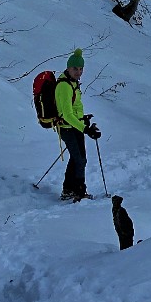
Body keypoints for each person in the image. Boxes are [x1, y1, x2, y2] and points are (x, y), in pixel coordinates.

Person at [55, 48, 100, 201]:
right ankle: (79, 192)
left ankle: (68, 189)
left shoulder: (73, 83)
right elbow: (67, 114)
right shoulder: (64, 86)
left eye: (81, 69)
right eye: (75, 68)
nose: (79, 72)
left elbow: (74, 108)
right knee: (80, 160)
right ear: (68, 67)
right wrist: (86, 129)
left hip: (75, 126)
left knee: (77, 159)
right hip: (67, 128)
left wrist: (83, 119)